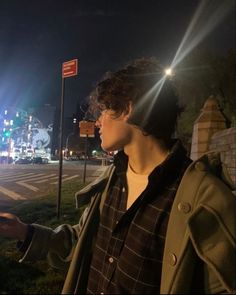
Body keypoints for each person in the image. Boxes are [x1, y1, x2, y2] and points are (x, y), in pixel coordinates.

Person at [0, 57, 236, 294]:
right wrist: (23, 231)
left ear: (128, 109)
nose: (98, 122)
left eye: (103, 110)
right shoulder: (110, 181)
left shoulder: (201, 197)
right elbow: (80, 242)